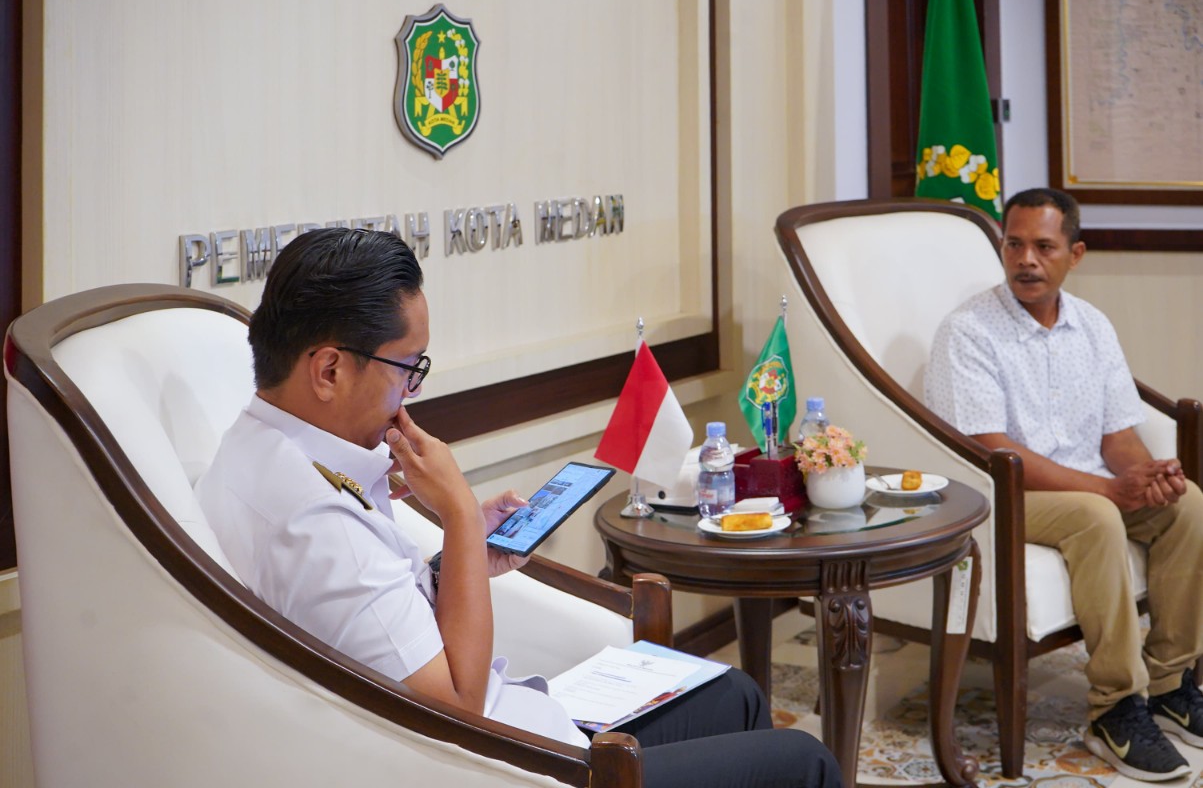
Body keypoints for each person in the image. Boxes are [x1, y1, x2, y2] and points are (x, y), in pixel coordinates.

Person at [195, 227, 839, 788]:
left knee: (734, 694)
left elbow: (372, 626)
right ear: (329, 370)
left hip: (527, 725)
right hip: (511, 766)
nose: (412, 393)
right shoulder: (314, 521)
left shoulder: (259, 447)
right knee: (802, 762)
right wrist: (459, 518)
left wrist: (461, 557)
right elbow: (458, 714)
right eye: (407, 368)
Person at [925, 188, 1203, 782]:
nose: (1026, 259)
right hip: (1002, 493)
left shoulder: (1092, 325)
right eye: (1014, 243)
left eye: (1043, 247)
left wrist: (1145, 475)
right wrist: (1108, 492)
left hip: (1083, 484)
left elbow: (1116, 435)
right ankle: (1115, 709)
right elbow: (992, 449)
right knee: (1097, 515)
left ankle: (1171, 684)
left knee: (1190, 506)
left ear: (1074, 254)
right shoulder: (969, 330)